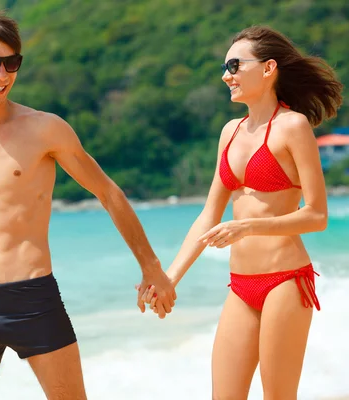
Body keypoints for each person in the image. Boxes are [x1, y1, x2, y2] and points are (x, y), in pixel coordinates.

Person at [0, 5, 176, 400]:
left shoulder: (45, 129)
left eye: (12, 63)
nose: (2, 75)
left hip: (33, 298)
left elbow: (109, 193)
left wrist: (152, 268)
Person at [141, 26, 343, 398]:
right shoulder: (229, 132)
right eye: (224, 66)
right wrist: (169, 277)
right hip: (241, 287)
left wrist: (248, 226)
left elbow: (317, 215)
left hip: (285, 280)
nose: (226, 75)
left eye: (235, 65)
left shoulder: (292, 127)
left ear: (268, 69)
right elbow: (208, 216)